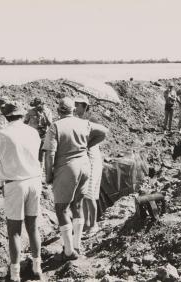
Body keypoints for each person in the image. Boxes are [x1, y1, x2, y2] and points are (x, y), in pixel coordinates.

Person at [43, 97, 108, 260]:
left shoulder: (55, 126)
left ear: (59, 110)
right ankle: (77, 246)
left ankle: (68, 251)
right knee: (77, 205)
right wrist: (88, 144)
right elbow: (104, 131)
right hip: (85, 166)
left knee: (61, 208)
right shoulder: (84, 123)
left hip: (67, 168)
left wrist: (49, 175)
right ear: (72, 109)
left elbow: (49, 154)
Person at [0, 102, 43, 282]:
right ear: (22, 115)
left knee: (14, 231)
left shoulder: (1, 133)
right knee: (33, 227)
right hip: (34, 181)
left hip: (14, 184)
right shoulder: (33, 132)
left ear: (6, 116)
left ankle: (15, 274)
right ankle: (37, 267)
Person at [74, 96, 104, 235]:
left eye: (78, 105)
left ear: (84, 106)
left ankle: (93, 225)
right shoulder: (78, 119)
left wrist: (87, 143)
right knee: (84, 192)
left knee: (90, 193)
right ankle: (86, 223)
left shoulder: (92, 120)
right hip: (85, 157)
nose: (75, 107)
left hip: (92, 156)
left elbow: (102, 133)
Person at [24, 97, 53, 164]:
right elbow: (25, 122)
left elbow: (50, 125)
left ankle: (41, 169)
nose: (38, 106)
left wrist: (44, 115)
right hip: (32, 135)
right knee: (32, 152)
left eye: (39, 104)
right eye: (36, 105)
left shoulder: (47, 111)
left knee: (41, 154)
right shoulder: (30, 111)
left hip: (43, 135)